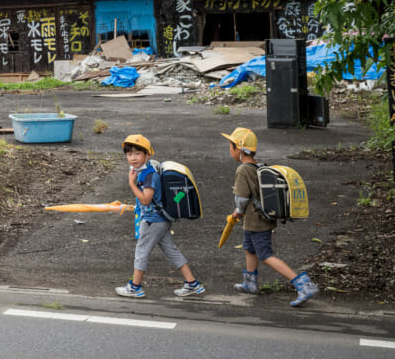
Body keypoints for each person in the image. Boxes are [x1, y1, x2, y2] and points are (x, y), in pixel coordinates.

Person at [223, 127, 319, 306]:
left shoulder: (243, 170)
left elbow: (242, 198)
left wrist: (237, 211)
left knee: (266, 255)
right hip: (256, 220)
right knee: (249, 248)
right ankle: (250, 283)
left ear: (238, 148)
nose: (230, 150)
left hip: (256, 221)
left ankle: (303, 284)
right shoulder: (257, 166)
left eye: (230, 146)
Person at [115, 134, 205, 298]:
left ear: (148, 155)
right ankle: (193, 284)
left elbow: (146, 198)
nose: (133, 158)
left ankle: (135, 287)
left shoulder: (149, 175)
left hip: (153, 221)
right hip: (161, 220)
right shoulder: (147, 170)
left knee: (141, 252)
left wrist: (131, 184)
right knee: (172, 251)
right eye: (129, 154)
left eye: (137, 153)